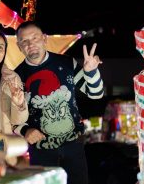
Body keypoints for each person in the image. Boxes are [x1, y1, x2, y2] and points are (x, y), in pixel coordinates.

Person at [13, 21, 104, 184]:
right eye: (24, 41)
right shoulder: (15, 77)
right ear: (19, 45)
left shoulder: (67, 63)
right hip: (41, 150)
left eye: (35, 38)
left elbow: (96, 94)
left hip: (74, 145)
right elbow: (10, 114)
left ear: (44, 38)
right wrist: (25, 130)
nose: (30, 44)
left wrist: (91, 72)